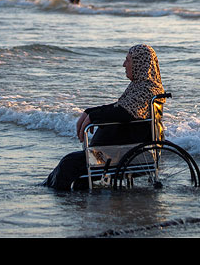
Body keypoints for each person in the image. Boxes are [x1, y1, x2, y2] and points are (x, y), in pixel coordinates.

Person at [43, 44, 165, 191]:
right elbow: (118, 107)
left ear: (140, 63)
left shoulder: (147, 89)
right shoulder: (140, 86)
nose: (124, 65)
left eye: (128, 60)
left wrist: (94, 116)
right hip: (118, 150)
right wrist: (90, 112)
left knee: (68, 164)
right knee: (71, 164)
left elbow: (123, 113)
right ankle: (51, 191)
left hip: (124, 153)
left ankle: (55, 199)